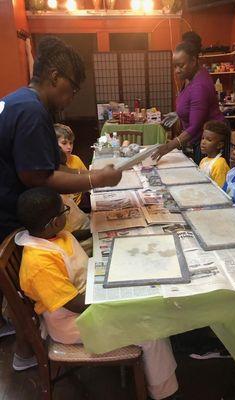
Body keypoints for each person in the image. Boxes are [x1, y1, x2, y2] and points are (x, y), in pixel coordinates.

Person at [0, 36, 121, 370]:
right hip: (14, 212)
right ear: (54, 76)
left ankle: (29, 341)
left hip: (15, 205)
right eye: (72, 88)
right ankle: (30, 346)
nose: (70, 98)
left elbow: (55, 165)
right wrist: (96, 179)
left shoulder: (18, 101)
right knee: (32, 281)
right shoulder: (31, 111)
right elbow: (37, 176)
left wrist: (89, 174)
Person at [15, 187, 180, 400]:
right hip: (72, 321)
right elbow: (75, 304)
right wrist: (116, 297)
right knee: (150, 328)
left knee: (145, 304)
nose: (67, 213)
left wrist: (102, 229)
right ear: (55, 222)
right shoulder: (39, 264)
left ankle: (158, 371)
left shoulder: (50, 235)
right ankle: (165, 394)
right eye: (64, 210)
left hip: (86, 298)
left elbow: (71, 238)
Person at [153, 32, 225, 165]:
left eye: (181, 65)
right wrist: (178, 114)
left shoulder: (199, 86)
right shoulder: (190, 76)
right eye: (175, 66)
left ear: (193, 60)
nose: (177, 70)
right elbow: (193, 104)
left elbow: (195, 126)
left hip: (210, 142)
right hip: (201, 138)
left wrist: (168, 147)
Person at [54, 123, 87, 205]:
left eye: (71, 143)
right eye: (64, 143)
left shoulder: (76, 159)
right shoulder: (54, 167)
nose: (69, 147)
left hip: (79, 205)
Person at [199, 120, 231, 187]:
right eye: (203, 138)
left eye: (209, 140)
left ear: (219, 145)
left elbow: (220, 190)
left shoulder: (220, 164)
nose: (203, 142)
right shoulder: (204, 160)